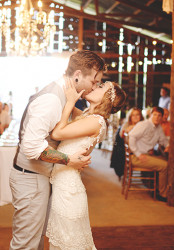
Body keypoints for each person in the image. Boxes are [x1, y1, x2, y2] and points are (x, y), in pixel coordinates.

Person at [9, 50, 106, 250]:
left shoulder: (64, 95)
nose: (95, 86)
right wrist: (68, 160)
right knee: (25, 243)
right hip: (30, 177)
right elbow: (31, 147)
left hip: (40, 177)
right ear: (77, 75)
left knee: (35, 241)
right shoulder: (52, 99)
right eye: (94, 82)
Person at [46, 80, 126, 250]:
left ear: (106, 99)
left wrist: (70, 101)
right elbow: (70, 109)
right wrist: (71, 92)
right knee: (63, 242)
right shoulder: (88, 116)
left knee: (68, 243)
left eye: (101, 86)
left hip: (68, 189)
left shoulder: (96, 121)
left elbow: (58, 133)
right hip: (65, 184)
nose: (95, 86)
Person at [128, 107, 169, 202]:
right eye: (155, 114)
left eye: (159, 115)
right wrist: (138, 154)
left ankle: (157, 188)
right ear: (150, 115)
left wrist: (168, 145)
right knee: (165, 166)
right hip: (137, 157)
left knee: (167, 162)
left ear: (162, 117)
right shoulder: (144, 124)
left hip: (147, 155)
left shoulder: (158, 127)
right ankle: (162, 194)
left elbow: (163, 140)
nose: (157, 117)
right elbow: (131, 136)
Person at [110, 107, 143, 179]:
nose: (135, 117)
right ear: (130, 117)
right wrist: (128, 130)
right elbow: (121, 135)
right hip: (130, 151)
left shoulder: (143, 124)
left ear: (141, 116)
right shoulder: (127, 124)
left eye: (137, 115)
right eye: (133, 115)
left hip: (140, 148)